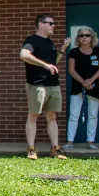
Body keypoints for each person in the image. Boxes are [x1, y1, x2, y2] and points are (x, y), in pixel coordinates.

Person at [20, 14, 71, 160]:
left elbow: (53, 62)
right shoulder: (31, 41)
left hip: (53, 84)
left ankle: (55, 149)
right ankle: (31, 149)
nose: (54, 26)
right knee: (33, 116)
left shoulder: (50, 43)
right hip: (37, 85)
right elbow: (23, 55)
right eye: (51, 23)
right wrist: (44, 65)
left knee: (52, 116)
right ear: (41, 24)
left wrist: (62, 50)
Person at [64, 26, 99, 151]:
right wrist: (83, 82)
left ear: (92, 37)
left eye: (87, 35)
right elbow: (71, 70)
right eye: (81, 35)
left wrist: (90, 81)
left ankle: (90, 141)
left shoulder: (97, 51)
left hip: (94, 85)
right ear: (78, 38)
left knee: (93, 114)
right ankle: (70, 142)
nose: (84, 38)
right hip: (78, 85)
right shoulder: (74, 52)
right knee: (74, 114)